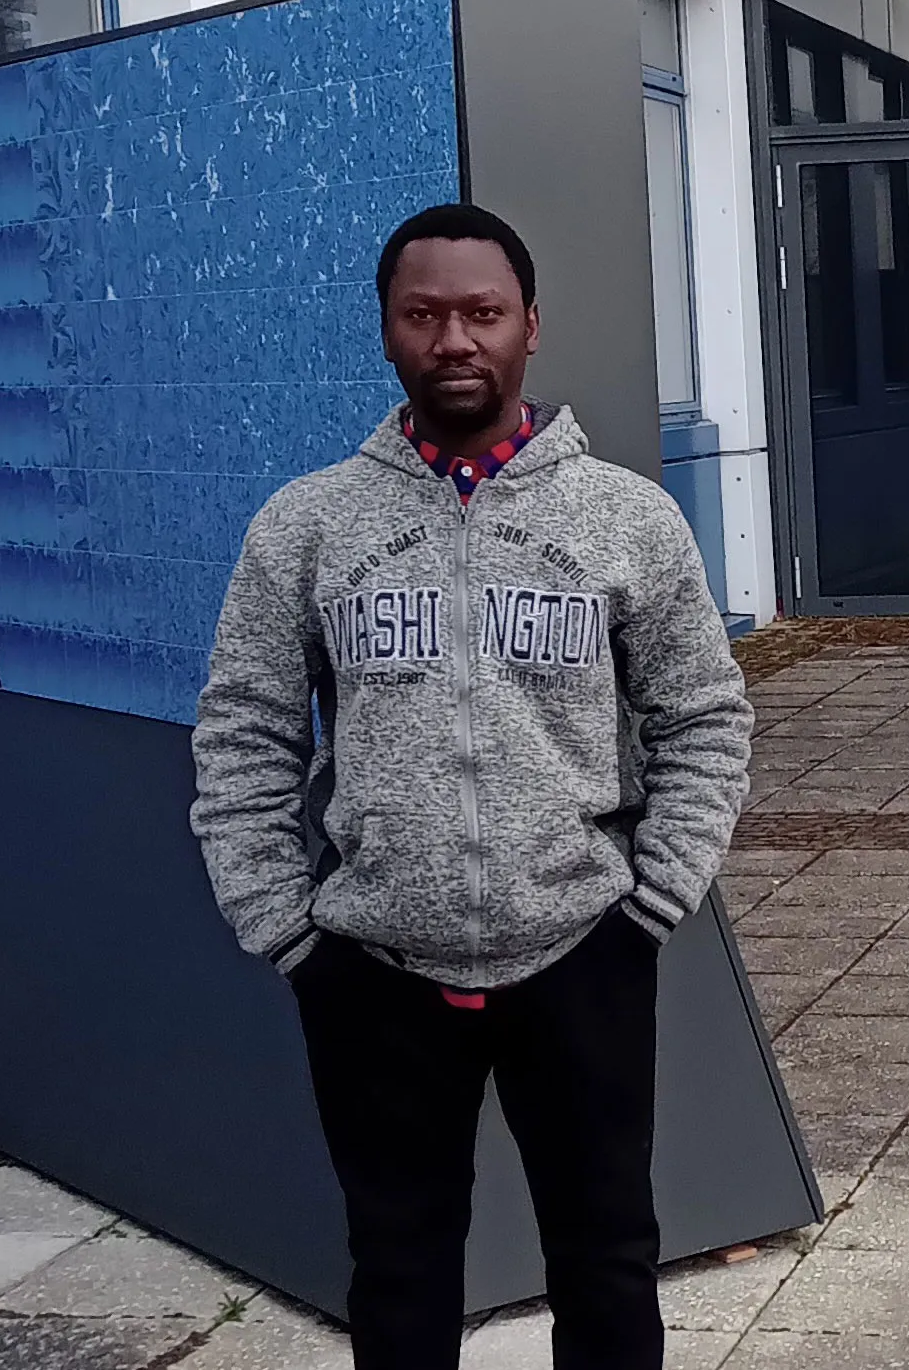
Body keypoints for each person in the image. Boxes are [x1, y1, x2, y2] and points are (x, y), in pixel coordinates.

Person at [189, 203, 752, 1370]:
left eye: (482, 314)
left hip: (581, 954)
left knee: (605, 1263)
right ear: (388, 331)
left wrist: (650, 905)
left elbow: (703, 716)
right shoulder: (308, 526)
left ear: (529, 327)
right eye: (426, 314)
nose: (456, 339)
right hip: (374, 972)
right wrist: (286, 930)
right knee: (398, 1270)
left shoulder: (624, 521)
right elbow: (243, 733)